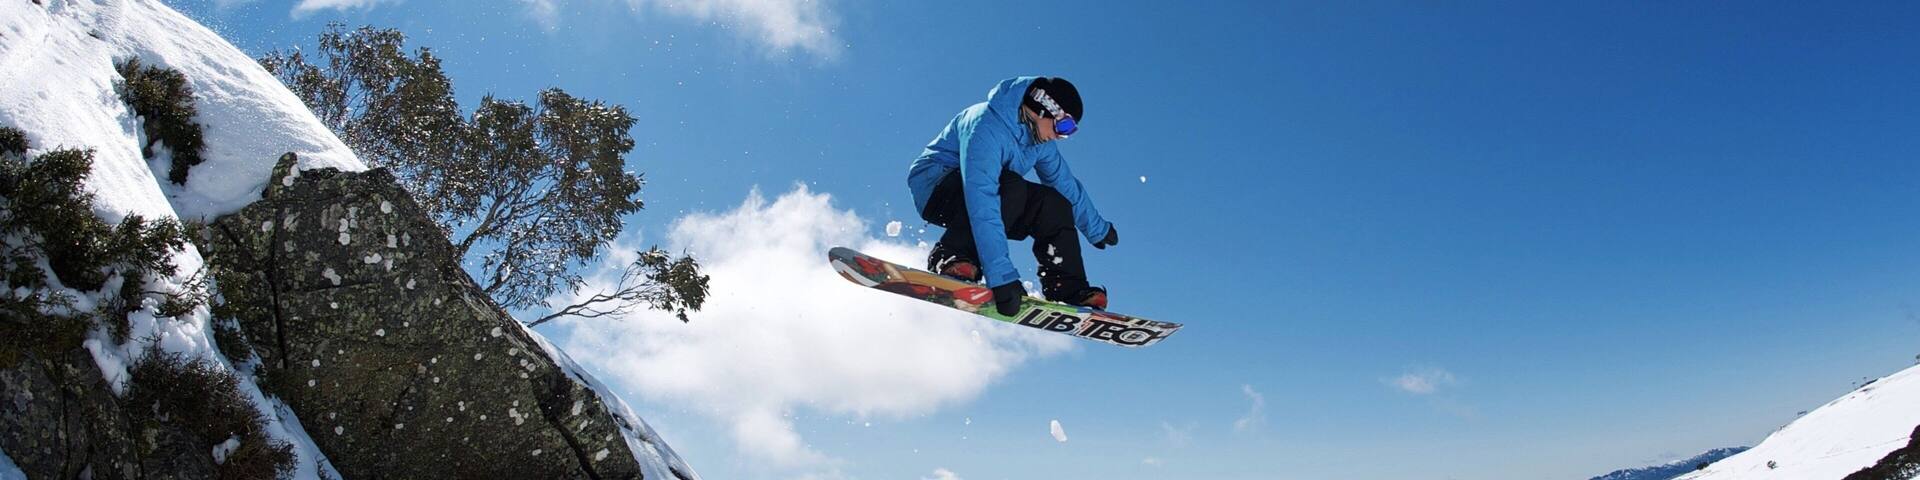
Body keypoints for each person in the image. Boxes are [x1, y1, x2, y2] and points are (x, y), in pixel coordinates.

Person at [908, 76, 1118, 316]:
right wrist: (1001, 276)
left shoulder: (1040, 144)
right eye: (1064, 127)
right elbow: (982, 196)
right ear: (1044, 107)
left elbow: (1065, 184)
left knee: (1053, 203)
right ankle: (952, 256)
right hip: (938, 188)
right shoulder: (985, 124)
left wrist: (1096, 227)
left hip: (1001, 195)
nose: (1061, 136)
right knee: (1010, 185)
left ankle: (1067, 288)